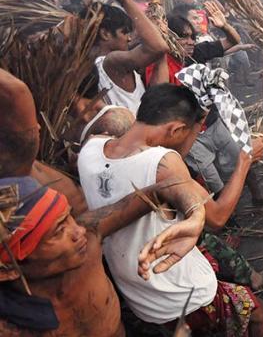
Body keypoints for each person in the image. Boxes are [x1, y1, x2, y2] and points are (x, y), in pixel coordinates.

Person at [0, 69, 204, 336]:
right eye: (58, 231)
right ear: (9, 268)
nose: (79, 230)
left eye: (68, 218)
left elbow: (166, 186)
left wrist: (195, 214)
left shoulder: (89, 235)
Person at [77, 84, 263, 336]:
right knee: (257, 315)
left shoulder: (90, 149)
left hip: (138, 294)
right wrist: (244, 161)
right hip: (181, 294)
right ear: (177, 129)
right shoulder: (162, 163)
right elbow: (218, 216)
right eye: (192, 132)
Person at [86, 0, 169, 114]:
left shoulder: (125, 68)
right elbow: (157, 47)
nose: (129, 39)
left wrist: (161, 47)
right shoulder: (108, 62)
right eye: (124, 32)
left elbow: (158, 98)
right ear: (105, 34)